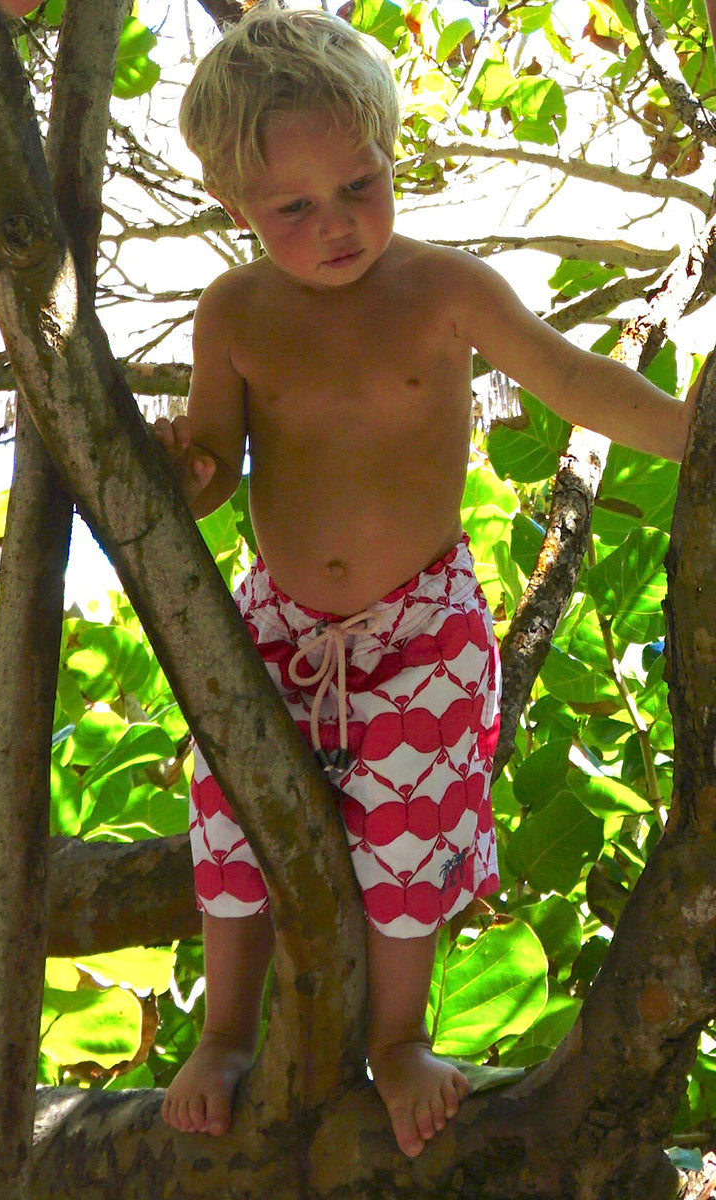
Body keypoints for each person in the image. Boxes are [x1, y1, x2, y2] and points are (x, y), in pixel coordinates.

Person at [153, 4, 696, 1160]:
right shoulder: (236, 314)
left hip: (421, 627)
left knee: (405, 838)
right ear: (233, 209)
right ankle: (227, 1031)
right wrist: (176, 468)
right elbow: (210, 465)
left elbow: (572, 378)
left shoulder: (447, 287)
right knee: (232, 823)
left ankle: (397, 1041)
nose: (338, 224)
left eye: (361, 184)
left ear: (393, 156)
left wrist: (689, 433)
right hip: (281, 630)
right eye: (293, 208)